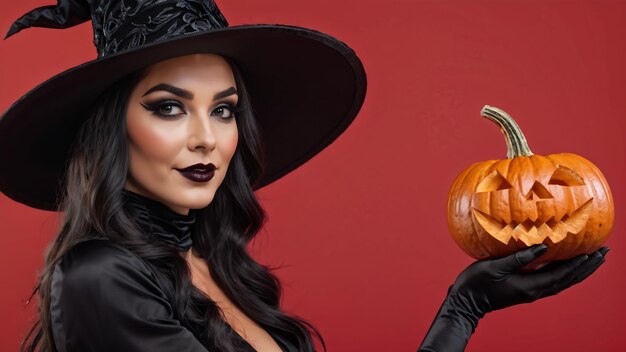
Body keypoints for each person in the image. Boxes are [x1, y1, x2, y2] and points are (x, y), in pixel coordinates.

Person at [0, 1, 608, 351]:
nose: (206, 137)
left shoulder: (215, 267)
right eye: (168, 107)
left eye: (224, 109)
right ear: (113, 128)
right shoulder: (98, 279)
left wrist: (464, 308)